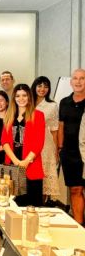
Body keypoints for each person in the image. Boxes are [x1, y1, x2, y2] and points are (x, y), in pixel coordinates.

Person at [1, 84, 45, 207]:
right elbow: (4, 141)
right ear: (14, 98)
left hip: (31, 165)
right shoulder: (9, 115)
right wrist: (16, 161)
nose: (21, 98)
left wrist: (25, 162)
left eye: (24, 95)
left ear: (29, 97)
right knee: (12, 205)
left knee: (33, 206)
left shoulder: (38, 115)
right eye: (18, 96)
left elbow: (39, 142)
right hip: (12, 165)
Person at [58, 69, 85, 225]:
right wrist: (60, 148)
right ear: (71, 82)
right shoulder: (64, 102)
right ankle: (79, 227)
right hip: (69, 153)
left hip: (84, 152)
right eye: (75, 78)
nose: (78, 81)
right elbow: (61, 126)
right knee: (75, 190)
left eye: (82, 78)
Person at [31, 76, 60, 202]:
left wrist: (56, 150)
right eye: (39, 86)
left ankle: (41, 205)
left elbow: (54, 130)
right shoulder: (27, 102)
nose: (42, 89)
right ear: (34, 87)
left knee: (44, 179)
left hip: (45, 145)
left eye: (46, 86)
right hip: (28, 143)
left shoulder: (52, 105)